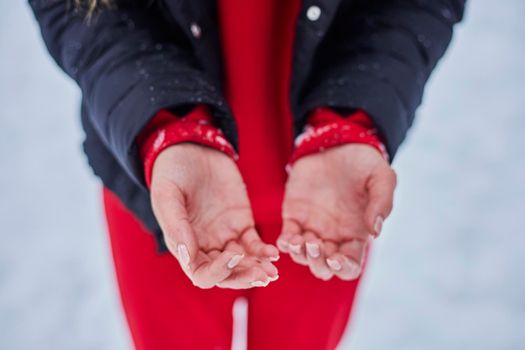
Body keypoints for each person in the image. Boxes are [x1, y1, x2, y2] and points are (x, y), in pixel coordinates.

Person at [30, 0, 465, 348]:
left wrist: (350, 119)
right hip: (165, 191)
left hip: (328, 203)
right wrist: (167, 126)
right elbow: (82, 10)